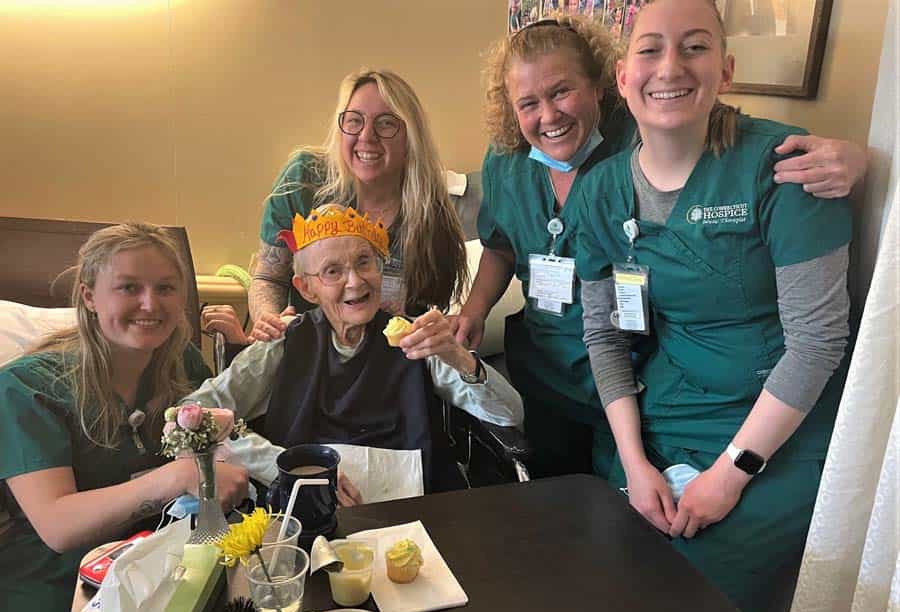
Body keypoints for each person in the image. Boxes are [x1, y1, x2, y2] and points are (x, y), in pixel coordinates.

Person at [573, 1, 851, 612]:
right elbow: (605, 334)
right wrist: (635, 463)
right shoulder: (602, 191)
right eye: (651, 51)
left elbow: (818, 342)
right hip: (667, 407)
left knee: (690, 611)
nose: (670, 68)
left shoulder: (785, 168)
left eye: (694, 49)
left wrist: (733, 472)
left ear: (724, 71)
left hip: (776, 431)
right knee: (612, 567)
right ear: (623, 75)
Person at [454, 12, 866, 481]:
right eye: (528, 102)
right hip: (549, 370)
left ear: (602, 84)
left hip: (641, 373)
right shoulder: (507, 162)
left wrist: (864, 159)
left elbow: (738, 138)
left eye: (562, 91)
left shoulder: (645, 140)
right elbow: (501, 244)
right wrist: (474, 309)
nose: (548, 115)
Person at [0, 223, 249, 612]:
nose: (150, 305)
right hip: (48, 599)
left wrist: (227, 467)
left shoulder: (182, 364)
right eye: (129, 287)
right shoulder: (28, 389)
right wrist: (177, 477)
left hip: (166, 580)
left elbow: (220, 453)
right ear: (89, 296)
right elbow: (57, 524)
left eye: (165, 288)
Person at [189, 205, 523, 497]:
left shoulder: (417, 338)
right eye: (333, 271)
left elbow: (510, 415)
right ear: (306, 287)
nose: (355, 281)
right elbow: (188, 416)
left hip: (415, 507)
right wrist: (277, 466)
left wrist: (459, 356)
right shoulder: (284, 341)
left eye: (365, 262)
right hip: (309, 507)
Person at [248, 69, 468, 343]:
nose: (367, 136)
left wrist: (426, 327)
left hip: (384, 366)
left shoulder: (430, 214)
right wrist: (271, 323)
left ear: (410, 138)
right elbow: (269, 279)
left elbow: (428, 309)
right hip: (303, 354)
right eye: (354, 121)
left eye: (386, 123)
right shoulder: (303, 181)